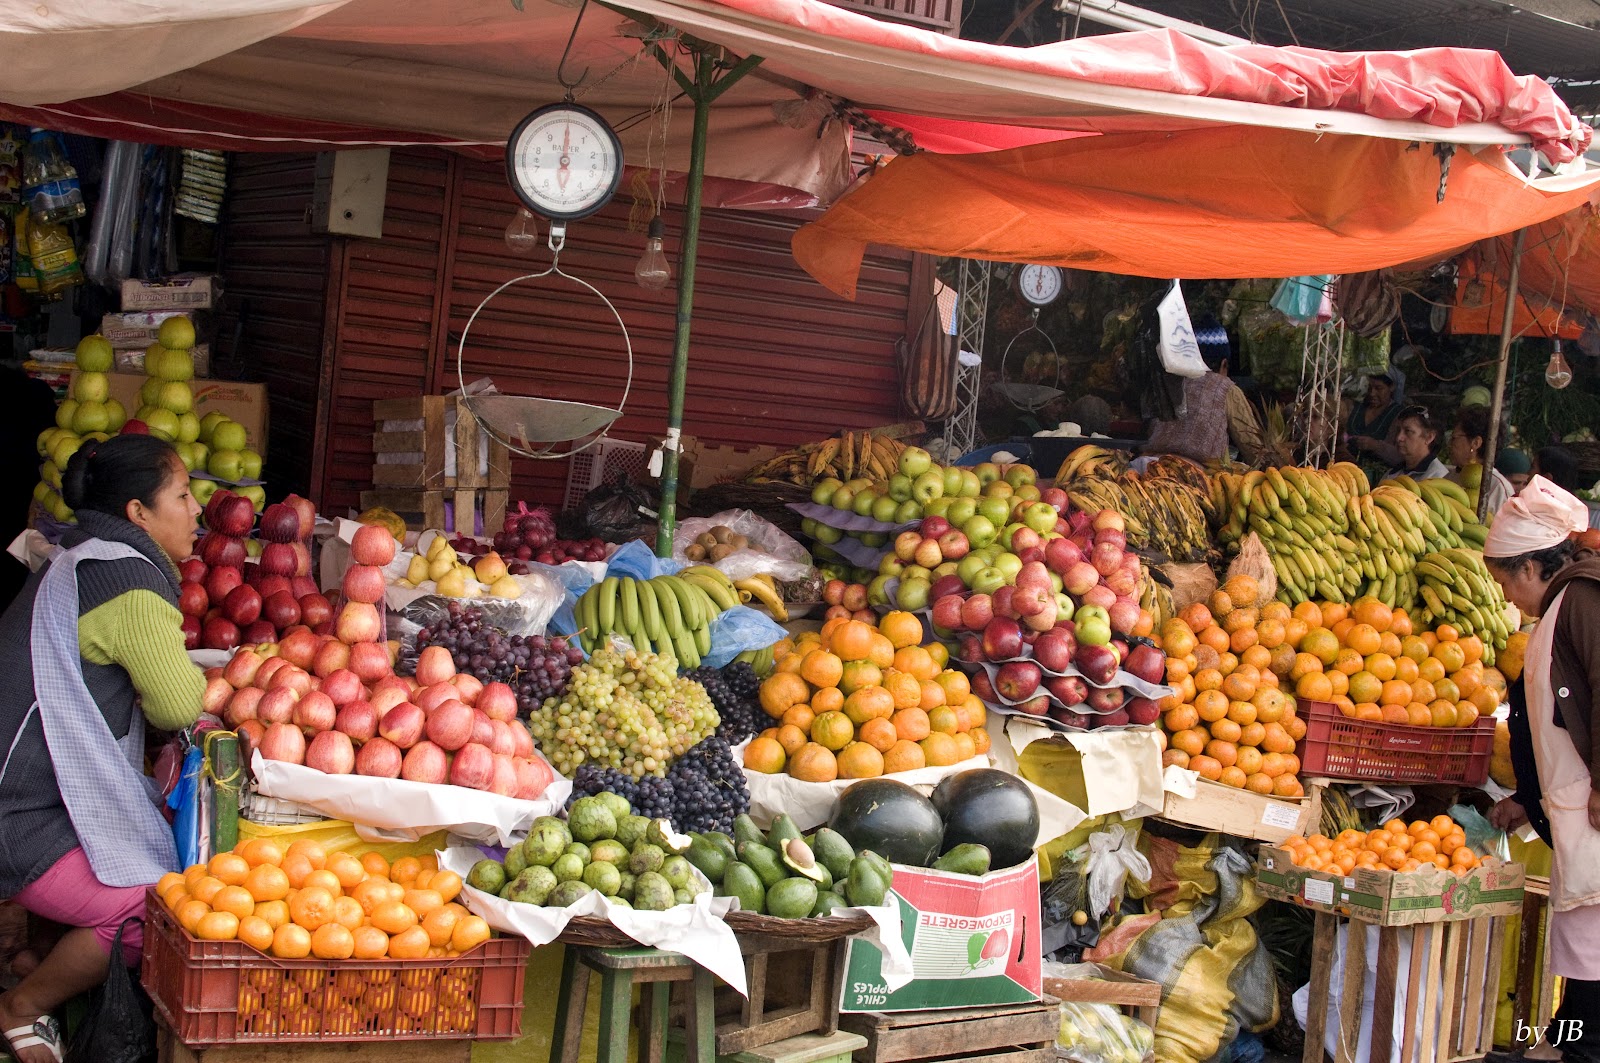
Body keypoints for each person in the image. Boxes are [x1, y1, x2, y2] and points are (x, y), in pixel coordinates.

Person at [0, 435, 204, 1063]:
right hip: (23, 818)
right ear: (139, 513)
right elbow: (177, 706)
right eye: (182, 495)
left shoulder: (80, 558)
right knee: (154, 908)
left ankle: (45, 961)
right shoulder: (131, 585)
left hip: (27, 791)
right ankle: (20, 1008)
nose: (197, 510)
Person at [1485, 477, 1600, 1063]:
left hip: (1595, 818)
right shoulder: (1562, 604)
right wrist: (1531, 801)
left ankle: (1568, 1045)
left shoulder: (1581, 599)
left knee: (1593, 961)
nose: (1506, 596)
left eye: (1506, 580)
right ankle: (1560, 1041)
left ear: (1531, 565)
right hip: (1577, 818)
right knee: (1586, 959)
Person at [1142, 333, 1263, 464]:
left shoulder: (1170, 381)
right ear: (1224, 364)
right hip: (1193, 474)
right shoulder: (1227, 389)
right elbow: (1253, 448)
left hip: (1148, 465)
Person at [1448, 405, 1515, 517]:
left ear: (1475, 443)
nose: (1450, 443)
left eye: (1454, 437)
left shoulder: (1498, 487)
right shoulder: (1449, 478)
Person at [1345, 368, 1405, 468]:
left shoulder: (1398, 415)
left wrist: (1375, 445)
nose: (1372, 393)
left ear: (1392, 387)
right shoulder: (1355, 407)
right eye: (1369, 387)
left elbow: (1400, 455)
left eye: (1379, 388)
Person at [1380, 406, 1450, 482]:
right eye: (1398, 430)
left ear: (1429, 437)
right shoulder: (1391, 474)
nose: (1399, 438)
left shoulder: (1439, 476)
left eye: (1408, 431)